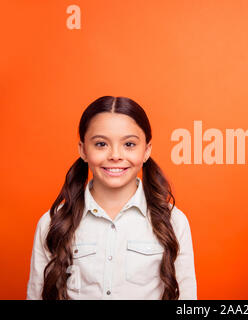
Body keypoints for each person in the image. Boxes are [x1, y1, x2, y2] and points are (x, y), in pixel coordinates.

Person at [27, 96, 196, 299]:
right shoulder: (52, 224)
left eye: (129, 144)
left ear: (146, 150)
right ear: (83, 150)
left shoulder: (174, 222)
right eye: (101, 144)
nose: (115, 155)